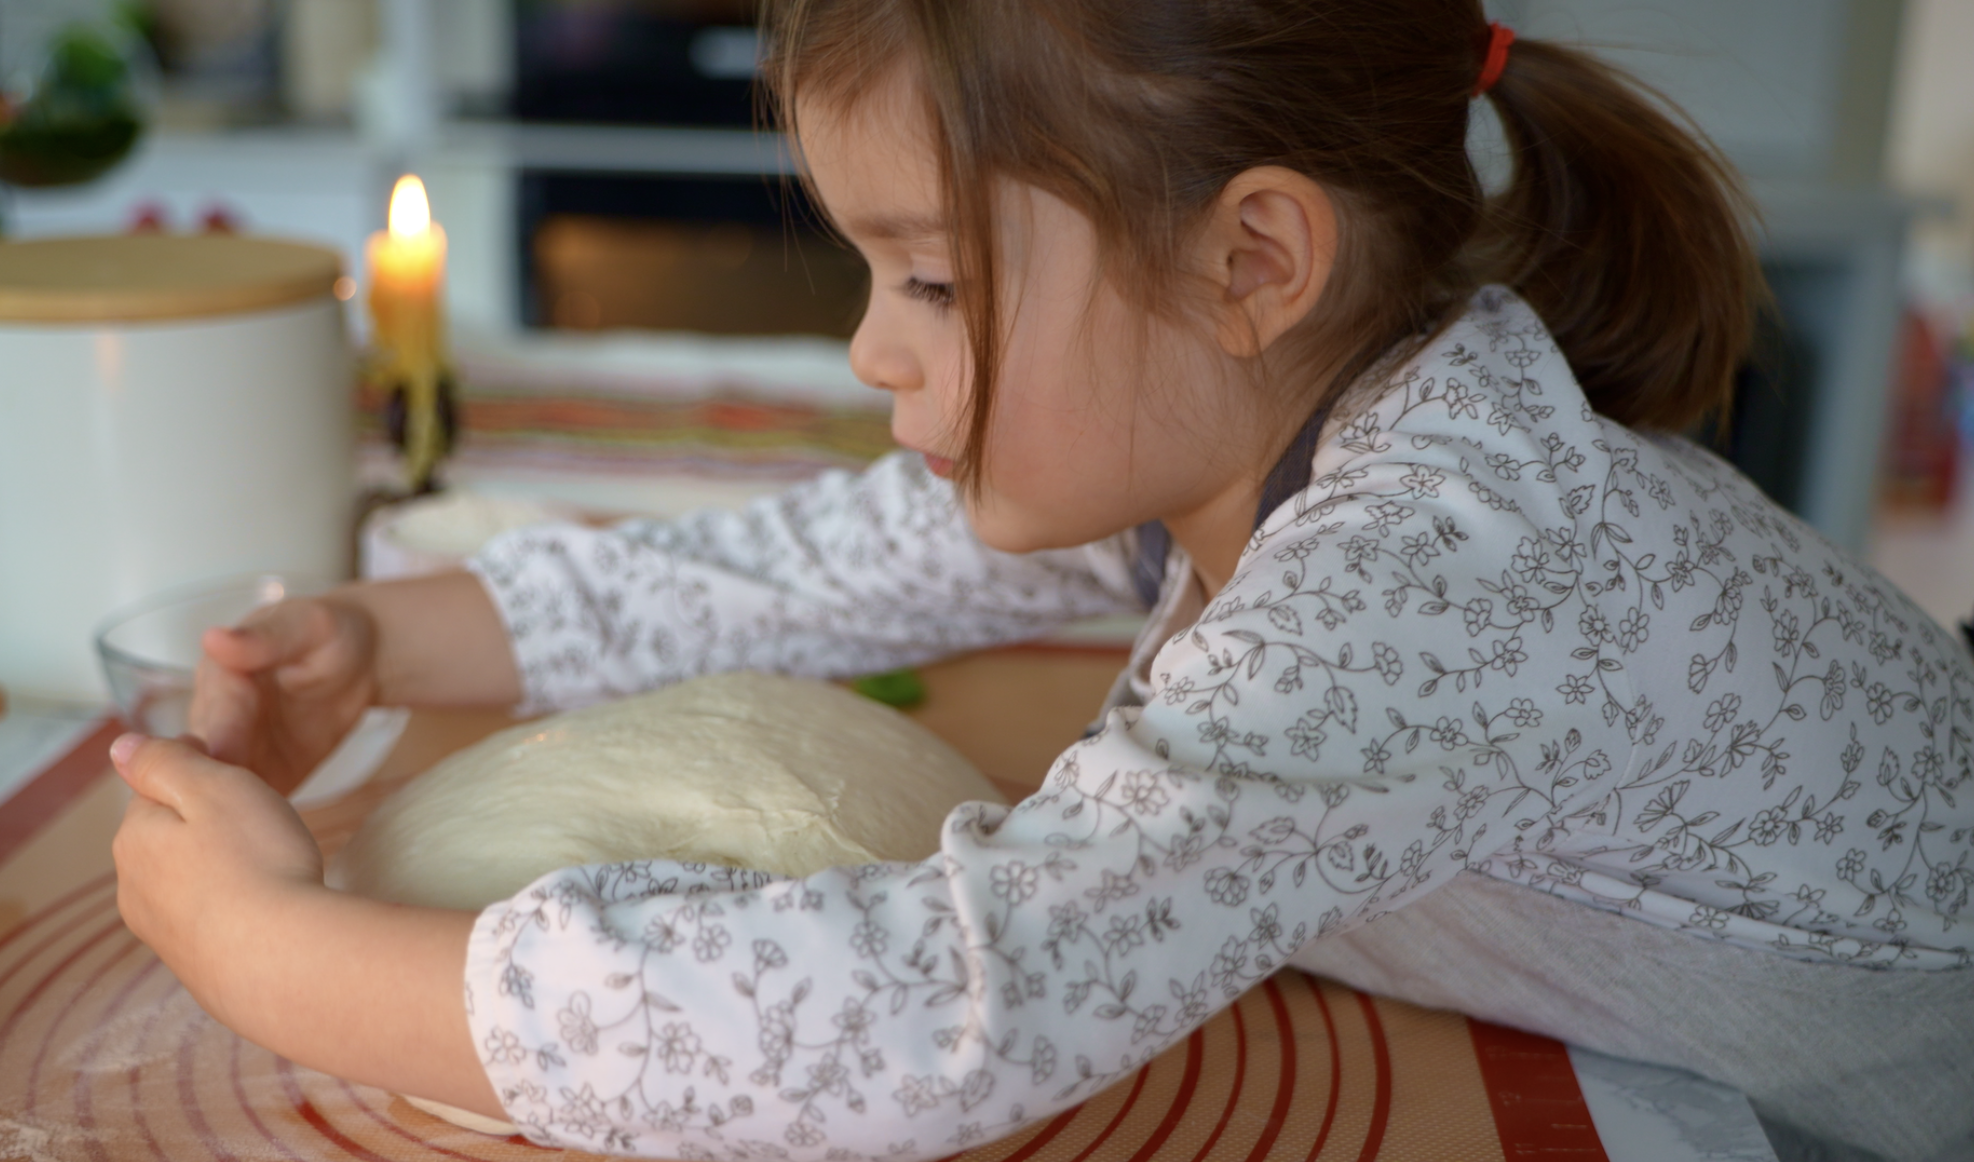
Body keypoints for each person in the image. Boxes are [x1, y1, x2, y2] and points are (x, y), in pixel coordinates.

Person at [107, 3, 1974, 1160]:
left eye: (925, 280)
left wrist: (281, 953)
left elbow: (929, 1014)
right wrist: (376, 638)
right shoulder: (1251, 412)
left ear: (1252, 258)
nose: (867, 350)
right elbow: (809, 565)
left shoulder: (1439, 565)